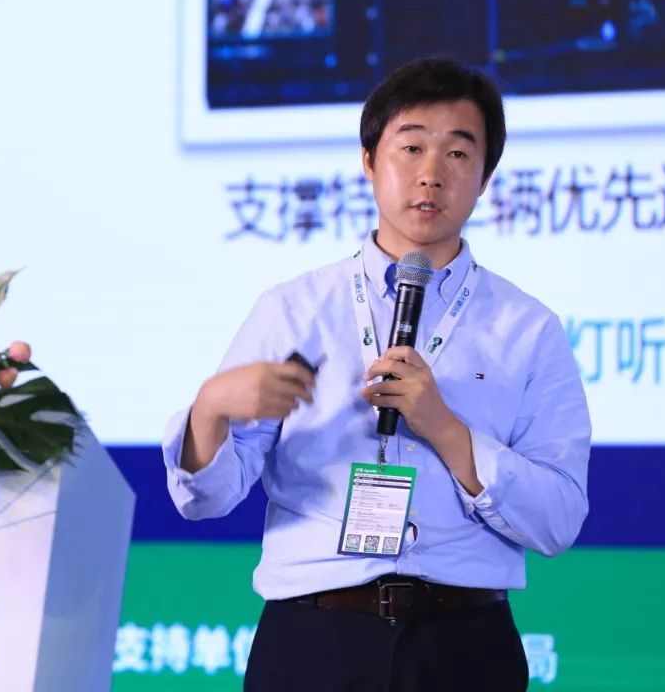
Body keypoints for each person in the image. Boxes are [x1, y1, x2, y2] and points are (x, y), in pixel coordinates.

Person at [162, 57, 591, 691]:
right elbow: (205, 500)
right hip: (314, 639)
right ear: (369, 161)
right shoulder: (293, 310)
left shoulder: (528, 329)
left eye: (457, 153)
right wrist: (210, 411)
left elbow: (557, 521)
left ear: (485, 178)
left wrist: (448, 431)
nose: (430, 173)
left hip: (464, 643)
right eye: (411, 147)